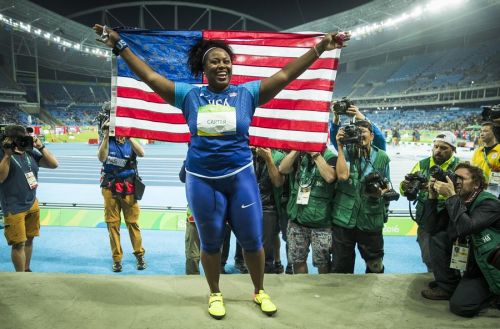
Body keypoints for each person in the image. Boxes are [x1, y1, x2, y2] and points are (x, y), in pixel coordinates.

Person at [93, 24, 349, 319]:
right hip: (202, 182)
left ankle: (259, 291)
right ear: (204, 67)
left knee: (253, 240)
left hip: (240, 178)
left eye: (226, 61)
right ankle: (215, 293)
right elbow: (150, 76)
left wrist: (320, 47)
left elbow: (285, 75)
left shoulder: (248, 94)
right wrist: (119, 44)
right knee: (211, 242)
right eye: (215, 61)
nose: (222, 65)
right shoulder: (188, 95)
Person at [420, 162, 500, 317]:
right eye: (454, 177)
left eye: (462, 178)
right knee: (438, 236)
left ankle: (493, 293)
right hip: (472, 265)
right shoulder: (460, 201)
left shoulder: (488, 203)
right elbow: (430, 228)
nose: (456, 181)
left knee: (461, 306)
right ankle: (447, 287)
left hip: (489, 267)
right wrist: (432, 197)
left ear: (476, 184)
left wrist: (451, 196)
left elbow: (467, 227)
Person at [331, 120, 392, 274]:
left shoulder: (382, 157)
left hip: (371, 219)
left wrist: (382, 199)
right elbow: (342, 177)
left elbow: (388, 185)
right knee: (340, 266)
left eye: (362, 131)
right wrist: (339, 146)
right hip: (344, 219)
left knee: (375, 265)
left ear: (371, 136)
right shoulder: (344, 153)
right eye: (355, 131)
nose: (358, 135)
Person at [0, 125, 58, 272]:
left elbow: (54, 164)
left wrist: (41, 146)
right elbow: (1, 178)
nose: (26, 140)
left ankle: (26, 269)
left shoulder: (30, 152)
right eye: (22, 138)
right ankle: (21, 277)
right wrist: (7, 155)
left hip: (32, 203)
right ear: (11, 139)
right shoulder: (3, 153)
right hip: (13, 208)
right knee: (18, 243)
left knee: (30, 239)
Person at [400, 131, 460, 272]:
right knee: (428, 257)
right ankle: (436, 282)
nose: (438, 151)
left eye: (443, 148)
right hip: (426, 219)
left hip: (451, 220)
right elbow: (405, 190)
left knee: (452, 258)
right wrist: (406, 186)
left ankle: (449, 285)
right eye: (436, 147)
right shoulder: (422, 164)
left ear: (453, 150)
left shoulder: (461, 167)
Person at [98, 120, 146, 272]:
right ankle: (117, 259)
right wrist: (106, 136)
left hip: (129, 187)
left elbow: (142, 153)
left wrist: (129, 135)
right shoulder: (107, 141)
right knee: (112, 224)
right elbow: (101, 157)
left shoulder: (129, 141)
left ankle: (139, 255)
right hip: (110, 186)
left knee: (132, 223)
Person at [278, 148, 336, 274]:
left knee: (323, 262)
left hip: (321, 223)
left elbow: (330, 177)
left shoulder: (330, 157)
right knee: (297, 260)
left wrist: (315, 154)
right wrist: (296, 149)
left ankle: (325, 292)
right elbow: (283, 169)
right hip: (297, 219)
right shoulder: (299, 156)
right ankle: (301, 289)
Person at [253, 147, 286, 274]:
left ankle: (267, 274)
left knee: (267, 248)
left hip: (269, 206)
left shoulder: (278, 157)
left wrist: (268, 159)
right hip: (250, 205)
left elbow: (278, 182)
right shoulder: (249, 154)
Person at [471, 122, 500, 197]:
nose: (482, 133)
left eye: (485, 131)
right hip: (477, 191)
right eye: (481, 131)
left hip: (495, 193)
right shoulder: (477, 151)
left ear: (494, 132)